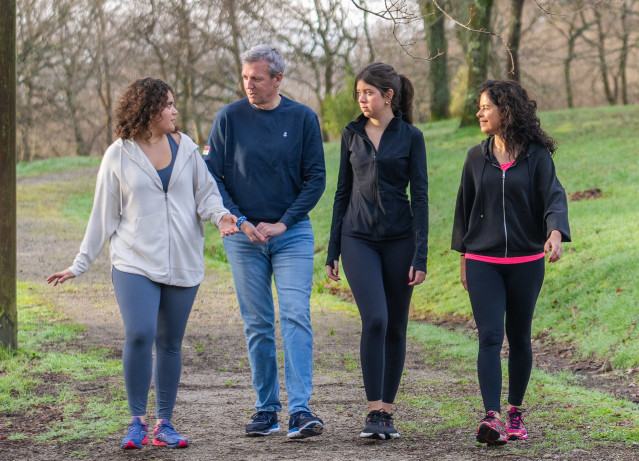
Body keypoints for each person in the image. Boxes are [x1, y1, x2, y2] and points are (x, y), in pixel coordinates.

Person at [47, 78, 238, 450]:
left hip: (183, 262)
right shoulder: (119, 155)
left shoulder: (187, 150)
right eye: (167, 105)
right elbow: (103, 215)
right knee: (139, 334)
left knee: (169, 343)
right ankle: (136, 422)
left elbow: (207, 196)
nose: (174, 111)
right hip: (134, 262)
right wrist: (79, 265)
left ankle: (164, 424)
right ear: (149, 111)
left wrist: (221, 217)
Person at [204, 45, 326, 438]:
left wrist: (284, 223)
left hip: (291, 235)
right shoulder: (229, 118)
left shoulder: (303, 118)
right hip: (243, 238)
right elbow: (213, 178)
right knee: (257, 322)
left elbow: (316, 179)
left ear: (278, 79)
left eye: (257, 77)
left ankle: (301, 410)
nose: (249, 85)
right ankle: (266, 409)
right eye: (245, 77)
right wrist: (239, 221)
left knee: (294, 314)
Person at [452, 79, 571, 445]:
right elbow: (464, 210)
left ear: (506, 110)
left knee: (519, 337)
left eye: (485, 106)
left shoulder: (536, 156)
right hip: (482, 260)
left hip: (526, 260)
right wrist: (463, 257)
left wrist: (555, 233)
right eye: (480, 106)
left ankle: (515, 410)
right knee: (489, 336)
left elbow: (554, 197)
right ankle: (492, 417)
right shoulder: (476, 156)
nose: (479, 113)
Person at [325, 62, 428, 440]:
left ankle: (387, 412)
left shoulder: (412, 137)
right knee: (376, 320)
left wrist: (421, 255)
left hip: (400, 241)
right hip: (358, 239)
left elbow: (420, 197)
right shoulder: (351, 134)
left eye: (368, 92)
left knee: (396, 326)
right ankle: (372, 410)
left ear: (388, 95)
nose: (362, 99)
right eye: (358, 93)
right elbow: (341, 191)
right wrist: (333, 248)